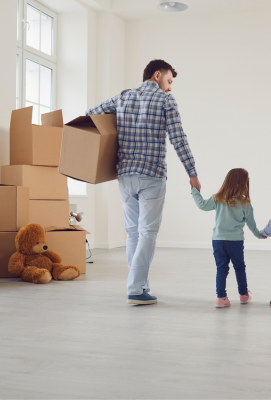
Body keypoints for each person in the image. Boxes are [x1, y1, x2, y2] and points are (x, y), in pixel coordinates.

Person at [86, 59, 200, 305]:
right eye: (169, 81)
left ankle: (140, 284)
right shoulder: (165, 100)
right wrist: (192, 172)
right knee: (147, 232)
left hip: (125, 175)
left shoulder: (123, 97)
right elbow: (178, 139)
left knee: (132, 233)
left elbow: (91, 115)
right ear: (157, 75)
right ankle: (136, 288)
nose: (170, 87)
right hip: (151, 175)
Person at [191, 168, 264, 308]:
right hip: (235, 242)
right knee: (239, 268)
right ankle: (243, 295)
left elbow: (202, 205)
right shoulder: (245, 202)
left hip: (218, 240)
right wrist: (260, 235)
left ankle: (221, 298)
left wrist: (194, 190)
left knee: (221, 269)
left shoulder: (217, 198)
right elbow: (251, 225)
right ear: (244, 183)